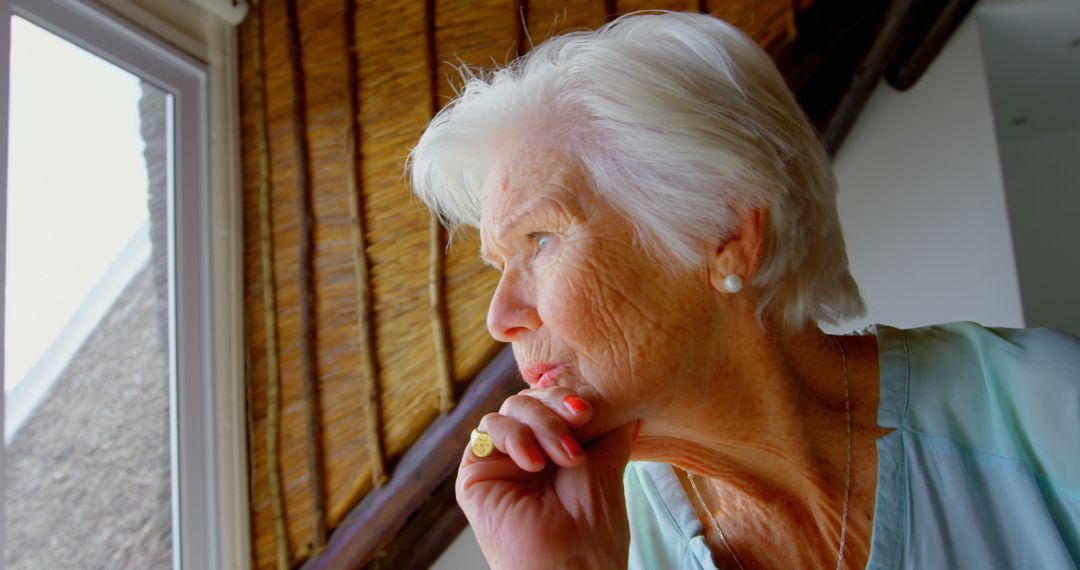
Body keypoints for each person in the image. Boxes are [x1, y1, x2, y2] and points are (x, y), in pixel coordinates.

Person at [408, 11, 1080, 569]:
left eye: (541, 240)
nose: (502, 319)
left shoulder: (1044, 411)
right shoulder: (602, 541)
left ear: (724, 231)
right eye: (501, 265)